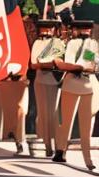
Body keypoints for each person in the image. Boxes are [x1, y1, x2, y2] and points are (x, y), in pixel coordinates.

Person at [52, 20, 97, 169]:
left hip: (86, 85)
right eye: (81, 29)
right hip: (70, 83)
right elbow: (59, 61)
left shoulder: (92, 45)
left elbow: (93, 62)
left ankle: (88, 158)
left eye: (87, 30)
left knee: (85, 124)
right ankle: (60, 150)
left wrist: (90, 66)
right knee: (66, 121)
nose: (85, 32)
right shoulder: (68, 44)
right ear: (75, 30)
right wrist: (70, 66)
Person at [30, 19, 64, 157]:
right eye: (44, 28)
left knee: (54, 115)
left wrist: (47, 63)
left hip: (55, 81)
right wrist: (48, 63)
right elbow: (33, 63)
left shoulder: (59, 43)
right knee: (43, 114)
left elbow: (60, 60)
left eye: (49, 28)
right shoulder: (37, 43)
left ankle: (58, 145)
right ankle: (47, 145)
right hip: (40, 80)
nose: (46, 31)